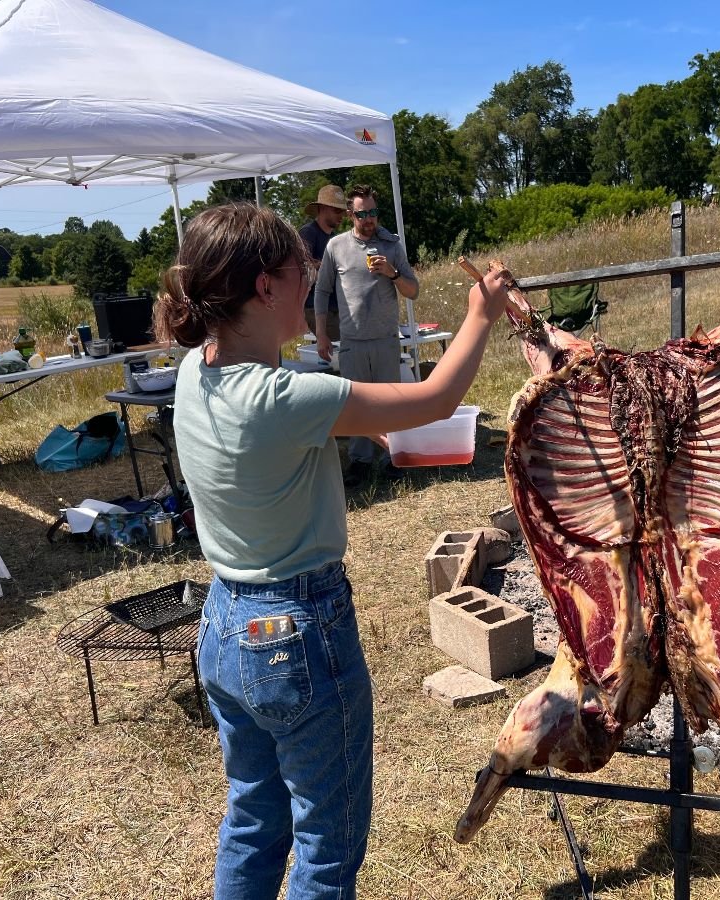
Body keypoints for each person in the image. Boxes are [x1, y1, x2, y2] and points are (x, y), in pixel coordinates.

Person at [154, 203, 510, 900]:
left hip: (227, 624)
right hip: (298, 632)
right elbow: (438, 399)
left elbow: (295, 438)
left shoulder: (196, 371)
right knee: (327, 841)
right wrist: (482, 313)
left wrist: (373, 427)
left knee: (254, 819)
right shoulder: (287, 396)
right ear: (264, 287)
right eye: (300, 269)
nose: (309, 279)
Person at [313, 184, 419, 487]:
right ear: (350, 215)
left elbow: (414, 291)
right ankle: (360, 462)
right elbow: (322, 292)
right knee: (355, 406)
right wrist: (321, 334)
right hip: (352, 341)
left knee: (390, 404)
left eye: (373, 212)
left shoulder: (391, 245)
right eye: (362, 214)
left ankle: (393, 458)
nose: (370, 219)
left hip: (385, 339)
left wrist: (393, 274)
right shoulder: (336, 247)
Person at [299, 184, 346, 343]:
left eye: (343, 211)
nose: (342, 216)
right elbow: (304, 271)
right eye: (337, 210)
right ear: (323, 208)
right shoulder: (308, 233)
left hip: (335, 308)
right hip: (315, 308)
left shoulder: (336, 239)